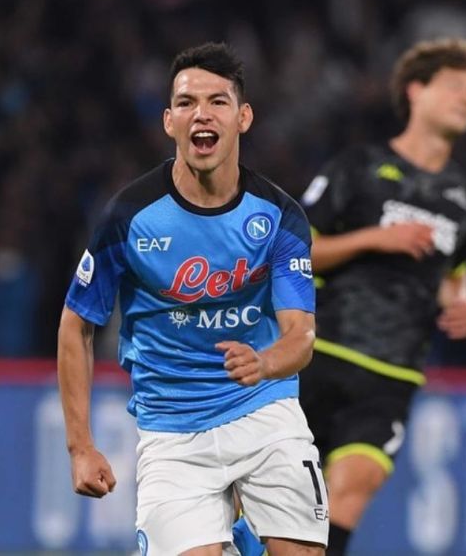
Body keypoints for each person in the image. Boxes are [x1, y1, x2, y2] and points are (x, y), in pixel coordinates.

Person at [58, 42, 327, 556]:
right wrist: (80, 446)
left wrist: (265, 362)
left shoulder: (279, 216)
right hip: (173, 432)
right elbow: (77, 323)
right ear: (168, 121)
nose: (201, 113)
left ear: (243, 117)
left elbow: (301, 337)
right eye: (186, 103)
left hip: (263, 413)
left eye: (217, 101)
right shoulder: (129, 217)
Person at [236, 37, 466, 556]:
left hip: (393, 373)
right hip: (319, 353)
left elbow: (452, 270)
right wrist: (376, 238)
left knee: (352, 490)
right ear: (416, 91)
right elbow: (294, 248)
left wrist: (461, 300)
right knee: (260, 497)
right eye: (456, 88)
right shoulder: (359, 167)